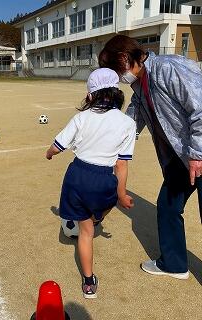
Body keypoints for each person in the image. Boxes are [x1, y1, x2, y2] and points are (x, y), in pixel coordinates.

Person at [99, 35, 202, 280]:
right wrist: (111, 143)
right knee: (168, 206)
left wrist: (198, 154)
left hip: (197, 153)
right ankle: (175, 264)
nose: (119, 79)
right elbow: (132, 120)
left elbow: (200, 107)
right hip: (180, 159)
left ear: (125, 58)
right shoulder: (141, 86)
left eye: (115, 70)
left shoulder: (168, 68)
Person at [46, 68, 136, 298]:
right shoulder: (127, 123)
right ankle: (98, 216)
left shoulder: (81, 117)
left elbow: (58, 146)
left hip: (77, 175)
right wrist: (122, 193)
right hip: (104, 177)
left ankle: (88, 282)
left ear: (89, 96)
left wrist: (49, 153)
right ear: (117, 93)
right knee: (109, 201)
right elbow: (122, 165)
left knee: (85, 232)